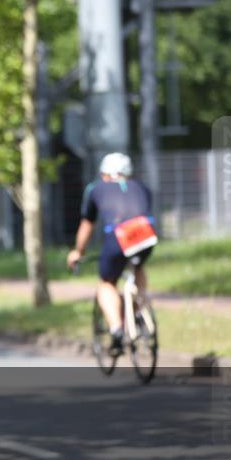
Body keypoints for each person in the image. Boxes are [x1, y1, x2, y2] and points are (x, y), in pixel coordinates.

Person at [66, 152, 157, 356]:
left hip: (119, 236)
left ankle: (116, 329)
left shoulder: (96, 188)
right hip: (146, 233)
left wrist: (78, 252)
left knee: (106, 283)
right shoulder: (142, 187)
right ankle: (141, 306)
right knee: (137, 267)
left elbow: (87, 225)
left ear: (104, 174)